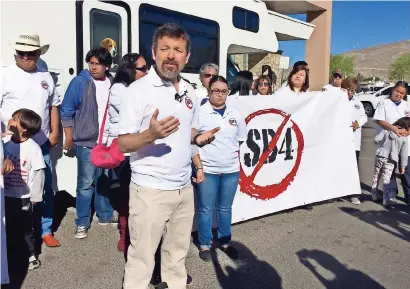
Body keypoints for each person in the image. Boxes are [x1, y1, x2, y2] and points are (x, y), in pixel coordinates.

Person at [118, 23, 219, 289]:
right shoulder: (137, 91)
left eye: (178, 50)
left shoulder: (190, 92)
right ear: (154, 52)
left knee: (176, 257)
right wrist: (149, 135)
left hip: (183, 188)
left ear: (187, 56)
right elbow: (122, 143)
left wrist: (198, 138)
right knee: (141, 260)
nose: (171, 55)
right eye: (165, 49)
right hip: (150, 189)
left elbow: (190, 130)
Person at [0, 33, 61, 247]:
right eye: (21, 52)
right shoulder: (5, 75)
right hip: (11, 145)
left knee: (44, 187)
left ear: (38, 53)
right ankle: (10, 232)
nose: (26, 56)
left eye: (31, 53)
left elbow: (54, 105)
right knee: (10, 187)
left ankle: (45, 230)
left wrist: (55, 132)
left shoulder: (45, 76)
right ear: (16, 53)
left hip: (41, 144)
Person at [60, 47, 117, 239]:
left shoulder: (111, 82)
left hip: (107, 141)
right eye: (91, 63)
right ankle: (82, 221)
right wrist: (68, 136)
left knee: (104, 180)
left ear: (106, 66)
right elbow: (66, 111)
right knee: (85, 183)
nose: (93, 67)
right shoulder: (80, 82)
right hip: (86, 142)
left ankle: (105, 215)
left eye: (98, 64)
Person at [195, 75, 246, 262]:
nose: (220, 94)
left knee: (225, 208)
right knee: (206, 209)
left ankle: (225, 242)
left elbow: (240, 138)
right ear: (208, 92)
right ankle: (205, 244)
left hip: (231, 170)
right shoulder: (200, 113)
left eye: (224, 91)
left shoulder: (235, 113)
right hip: (208, 169)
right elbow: (193, 142)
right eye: (216, 90)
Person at [3, 109, 45, 270]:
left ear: (24, 128)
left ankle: (31, 254)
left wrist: (35, 196)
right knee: (7, 225)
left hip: (23, 196)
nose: (10, 120)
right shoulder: (5, 142)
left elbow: (39, 172)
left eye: (14, 119)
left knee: (25, 228)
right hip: (5, 193)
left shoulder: (33, 148)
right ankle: (9, 253)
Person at [373, 81, 410, 203]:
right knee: (389, 169)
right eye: (397, 91)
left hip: (404, 142)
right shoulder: (383, 103)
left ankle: (408, 195)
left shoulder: (406, 105)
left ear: (405, 95)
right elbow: (379, 120)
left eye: (402, 93)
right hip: (388, 142)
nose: (399, 94)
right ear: (393, 90)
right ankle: (390, 193)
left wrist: (407, 132)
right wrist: (393, 128)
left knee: (405, 169)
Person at [372, 117, 410, 206]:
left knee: (376, 175)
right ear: (407, 128)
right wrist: (403, 166)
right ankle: (386, 199)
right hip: (390, 160)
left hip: (380, 156)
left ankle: (374, 194)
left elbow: (376, 139)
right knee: (386, 179)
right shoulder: (404, 139)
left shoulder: (386, 131)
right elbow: (404, 154)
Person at [342, 77, 367, 205]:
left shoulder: (358, 103)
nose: (350, 92)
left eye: (352, 90)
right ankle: (337, 192)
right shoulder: (337, 101)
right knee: (339, 166)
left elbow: (364, 116)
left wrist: (358, 123)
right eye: (347, 89)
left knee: (353, 168)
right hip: (339, 141)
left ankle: (353, 194)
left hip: (354, 142)